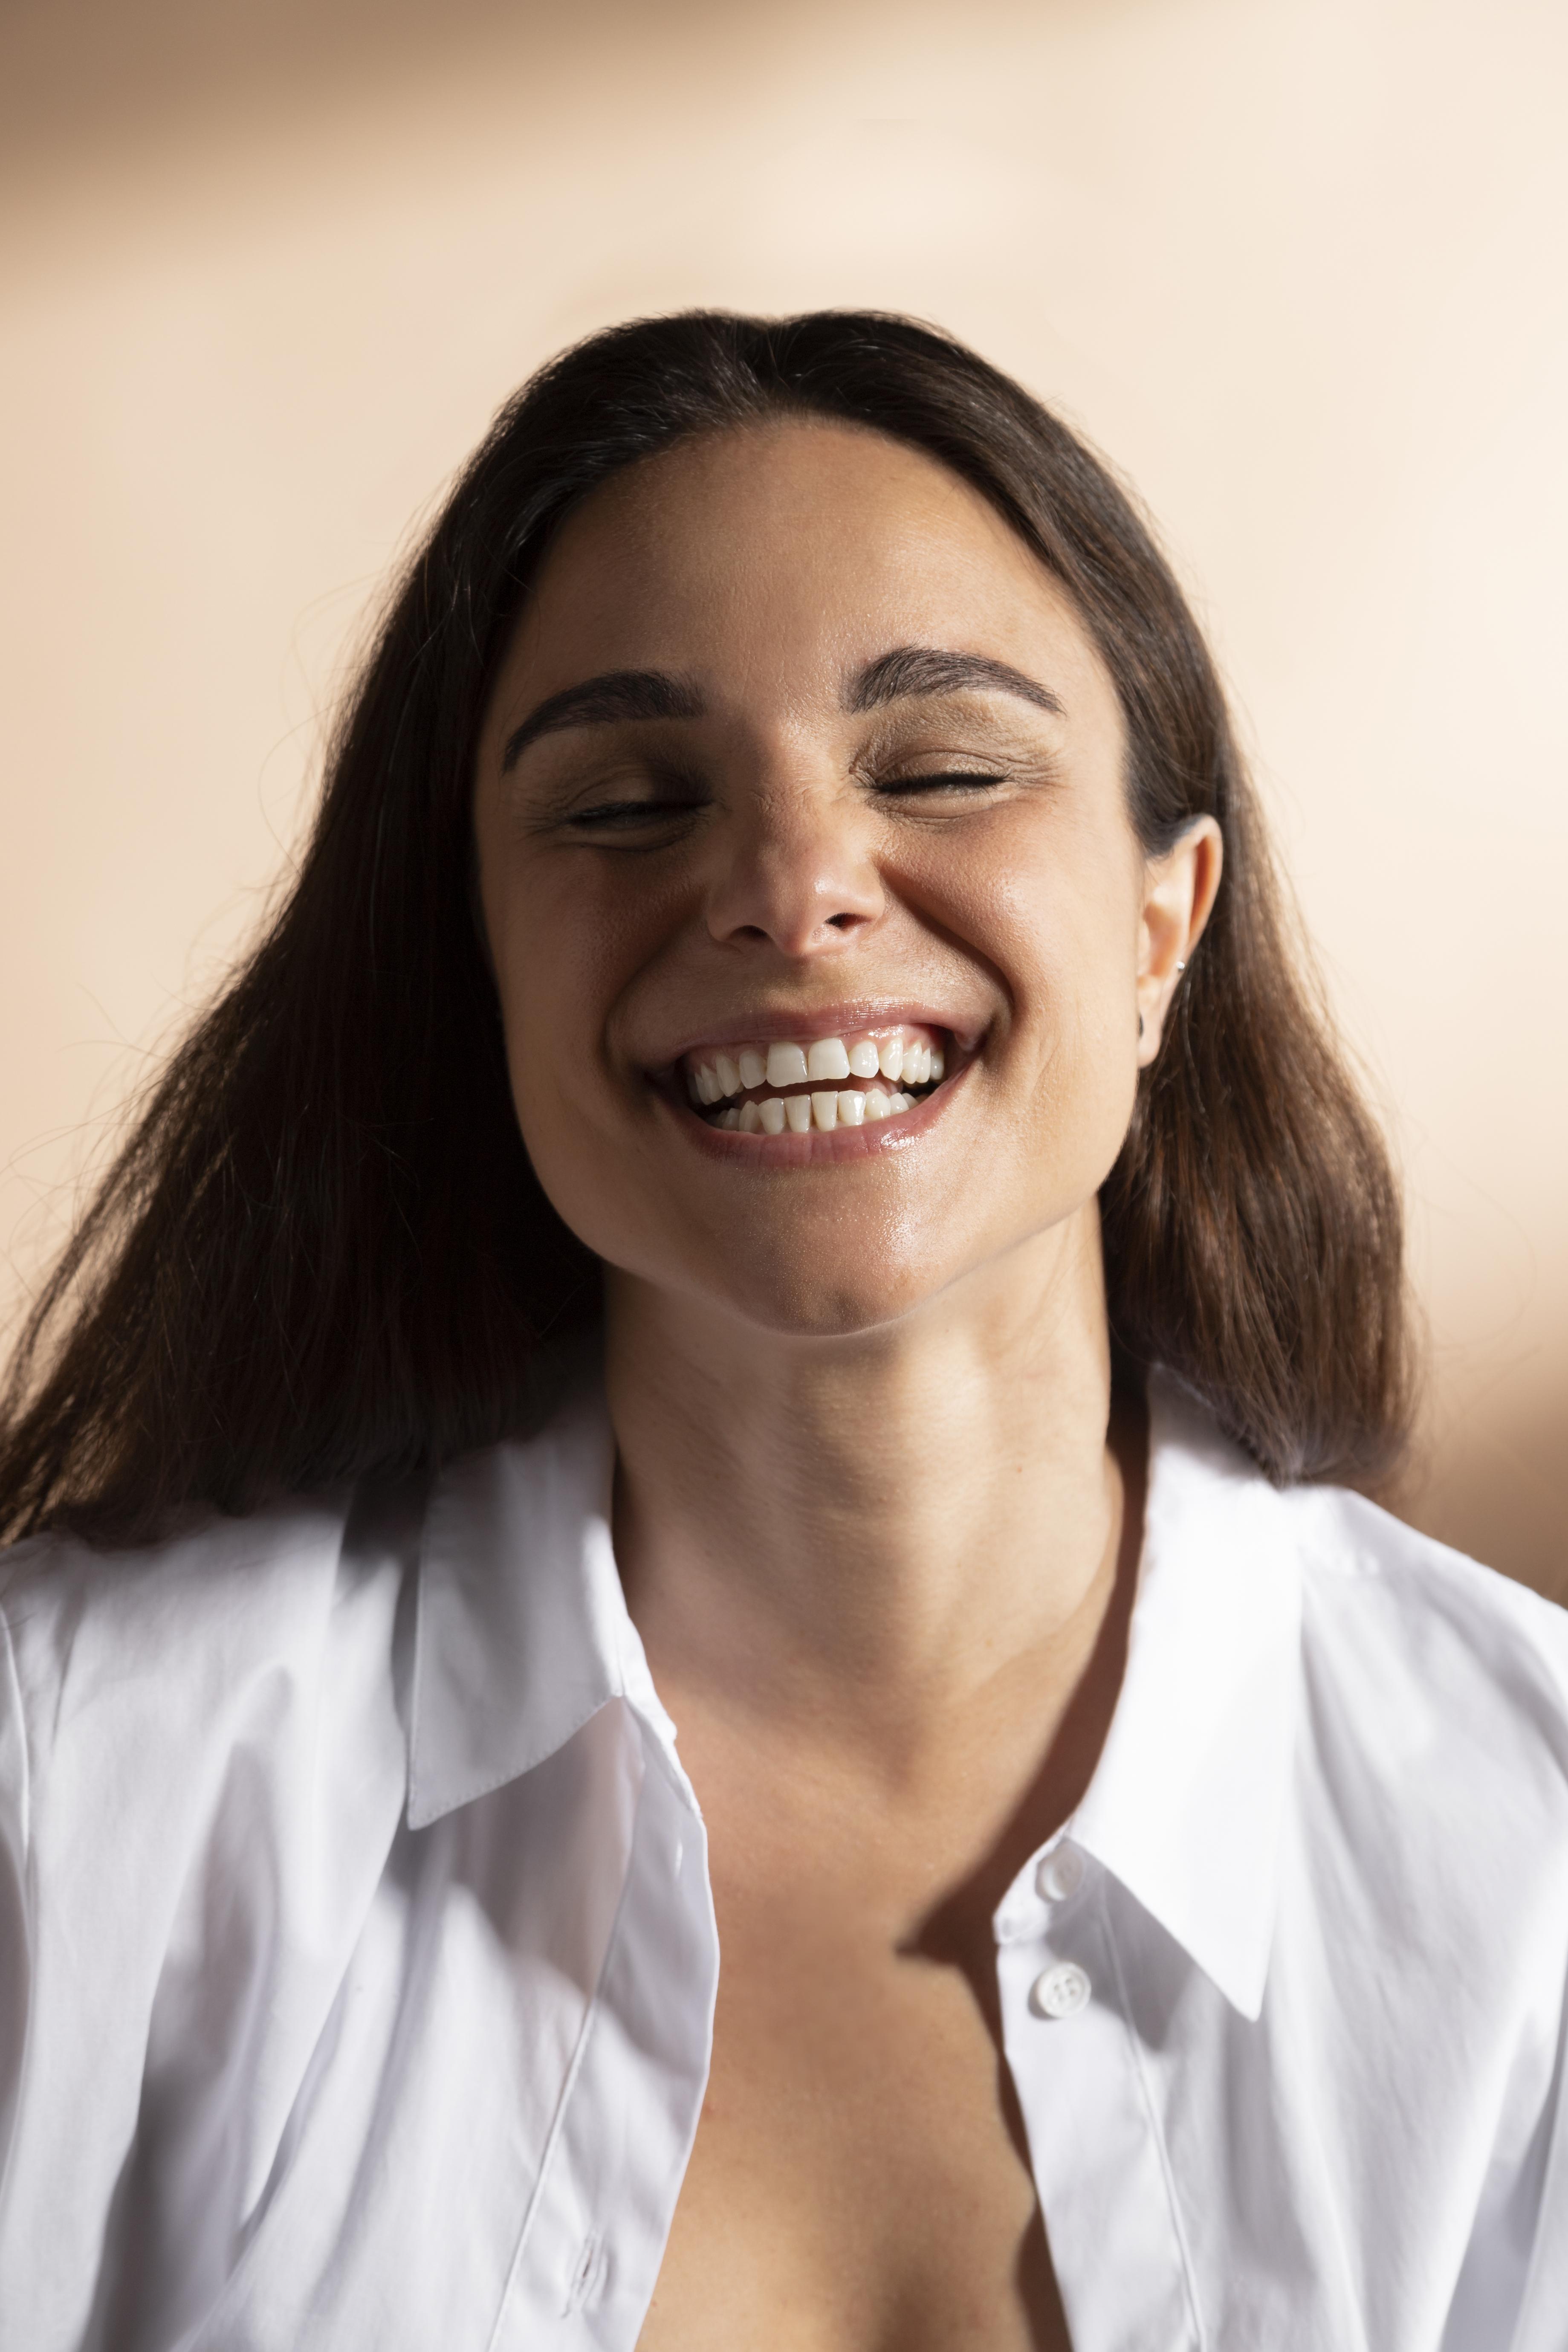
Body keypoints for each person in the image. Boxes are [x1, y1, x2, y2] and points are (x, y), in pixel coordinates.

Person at [0, 310, 1564, 2352]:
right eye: (628, 800)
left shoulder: (1534, 1848)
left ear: (1161, 928)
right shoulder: (65, 1780)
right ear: (475, 960)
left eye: (940, 766)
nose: (792, 883)